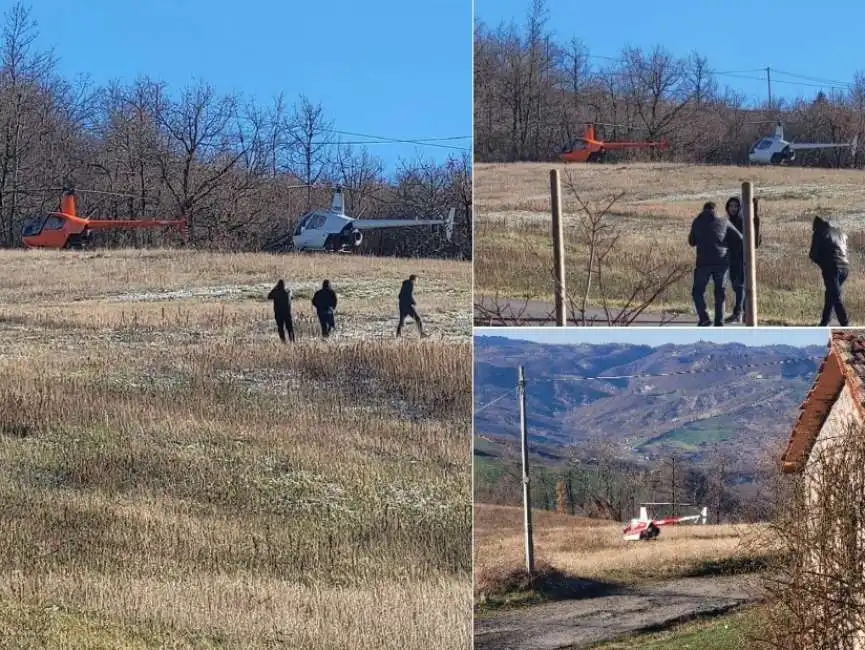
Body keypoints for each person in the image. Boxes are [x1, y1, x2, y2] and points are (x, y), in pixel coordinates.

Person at [688, 201, 743, 326]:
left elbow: (691, 242)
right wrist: (726, 244)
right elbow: (739, 237)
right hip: (722, 261)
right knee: (720, 291)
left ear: (703, 210)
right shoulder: (724, 221)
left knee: (698, 291)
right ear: (716, 210)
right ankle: (719, 321)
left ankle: (704, 318)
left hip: (703, 262)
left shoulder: (697, 221)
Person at [723, 196, 762, 323]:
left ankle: (737, 313)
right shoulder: (730, 221)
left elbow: (748, 238)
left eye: (735, 206)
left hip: (742, 258)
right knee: (737, 286)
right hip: (732, 258)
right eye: (731, 206)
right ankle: (747, 313)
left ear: (740, 208)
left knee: (739, 286)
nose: (733, 208)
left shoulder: (741, 221)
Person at [809, 216, 850, 326]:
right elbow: (844, 251)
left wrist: (823, 265)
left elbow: (813, 255)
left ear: (817, 225)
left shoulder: (819, 232)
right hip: (845, 268)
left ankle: (845, 324)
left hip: (832, 268)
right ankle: (824, 323)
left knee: (835, 297)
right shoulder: (841, 233)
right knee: (831, 294)